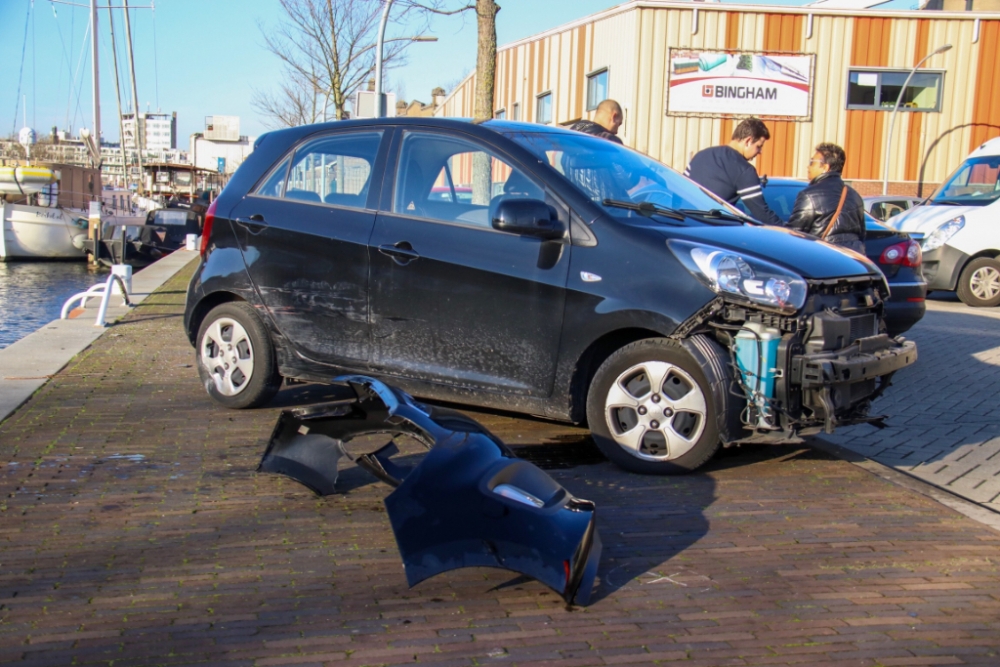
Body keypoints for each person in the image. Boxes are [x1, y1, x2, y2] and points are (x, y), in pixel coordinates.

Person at [684, 118, 782, 225]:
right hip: (712, 231)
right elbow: (762, 213)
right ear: (748, 141)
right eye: (758, 146)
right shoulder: (744, 170)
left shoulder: (700, 156)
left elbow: (680, 191)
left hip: (682, 223)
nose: (760, 152)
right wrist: (789, 231)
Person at [787, 143, 866, 253]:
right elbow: (861, 234)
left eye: (812, 162)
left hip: (823, 258)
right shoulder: (854, 195)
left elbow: (794, 235)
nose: (808, 166)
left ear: (825, 167)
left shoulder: (809, 195)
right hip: (854, 260)